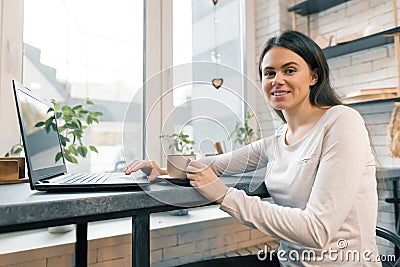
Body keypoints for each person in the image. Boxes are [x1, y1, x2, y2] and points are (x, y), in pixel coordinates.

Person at [125, 30, 379, 266]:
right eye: (269, 73)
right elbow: (213, 164)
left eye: (289, 70)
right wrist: (165, 168)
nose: (277, 80)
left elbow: (317, 230)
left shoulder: (342, 121)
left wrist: (224, 195)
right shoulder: (277, 141)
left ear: (314, 76)